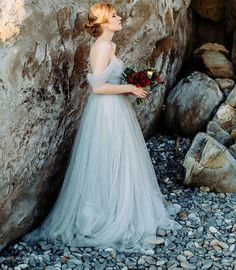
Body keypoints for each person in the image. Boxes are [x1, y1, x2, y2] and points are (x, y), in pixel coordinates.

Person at [23, 2, 181, 254]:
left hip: (115, 109)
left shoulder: (111, 46)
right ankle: (105, 215)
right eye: (114, 15)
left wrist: (134, 83)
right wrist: (129, 87)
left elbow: (109, 79)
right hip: (105, 112)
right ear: (104, 22)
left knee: (119, 159)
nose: (120, 18)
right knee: (107, 159)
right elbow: (97, 87)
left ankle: (120, 208)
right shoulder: (102, 46)